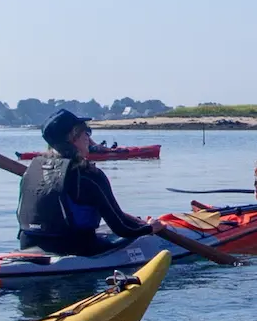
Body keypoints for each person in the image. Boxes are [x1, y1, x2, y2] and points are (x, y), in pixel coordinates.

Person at [19, 109, 163, 256]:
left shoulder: (32, 169)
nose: (88, 137)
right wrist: (149, 229)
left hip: (28, 244)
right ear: (73, 137)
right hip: (74, 247)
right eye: (85, 132)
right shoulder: (89, 175)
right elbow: (122, 228)